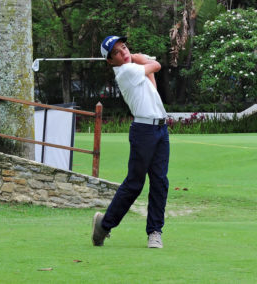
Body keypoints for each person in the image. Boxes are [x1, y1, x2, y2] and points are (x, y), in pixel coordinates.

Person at [92, 35, 170, 248]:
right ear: (110, 61)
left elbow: (152, 80)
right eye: (117, 52)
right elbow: (157, 65)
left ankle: (155, 232)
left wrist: (141, 61)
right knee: (135, 184)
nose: (123, 53)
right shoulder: (126, 72)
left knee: (160, 182)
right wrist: (138, 57)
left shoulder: (134, 70)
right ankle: (104, 225)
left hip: (161, 128)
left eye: (124, 47)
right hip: (143, 131)